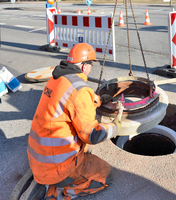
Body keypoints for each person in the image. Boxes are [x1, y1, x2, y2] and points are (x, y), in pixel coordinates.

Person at [24, 43, 121, 200]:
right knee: (105, 174)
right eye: (90, 64)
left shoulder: (57, 80)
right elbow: (93, 135)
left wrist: (100, 100)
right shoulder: (80, 90)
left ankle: (53, 187)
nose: (90, 68)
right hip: (58, 168)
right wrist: (116, 127)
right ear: (83, 67)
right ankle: (64, 193)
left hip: (38, 160)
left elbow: (72, 100)